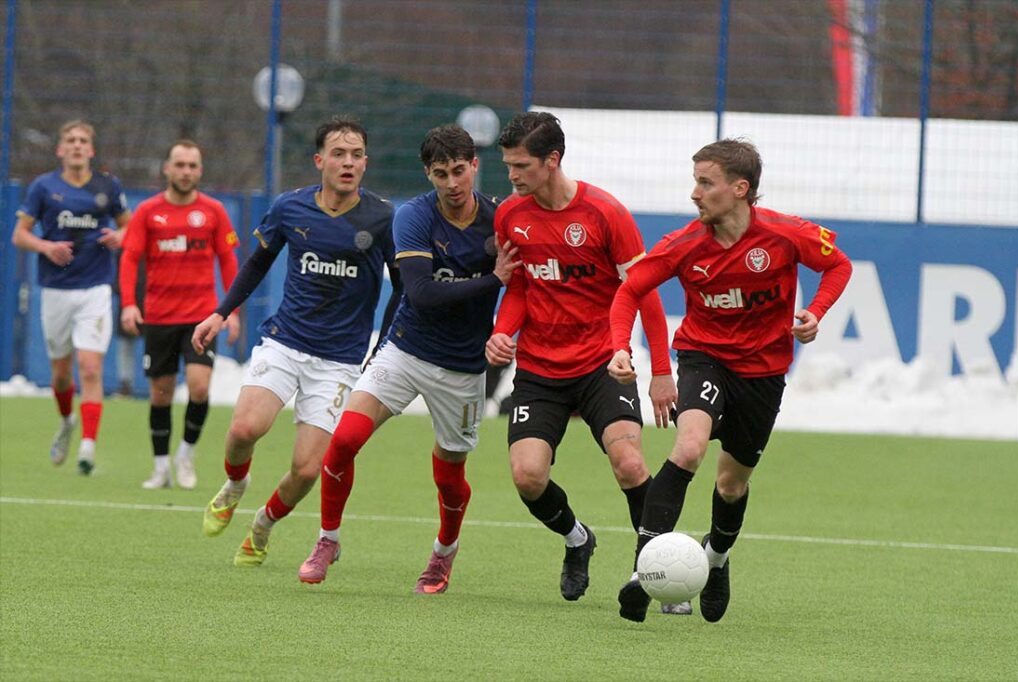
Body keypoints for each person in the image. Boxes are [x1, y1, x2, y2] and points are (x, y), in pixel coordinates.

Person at [609, 138, 853, 623]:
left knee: (731, 484)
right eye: (695, 182)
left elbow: (838, 265)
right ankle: (644, 569)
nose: (695, 194)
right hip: (704, 358)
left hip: (764, 373)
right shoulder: (683, 244)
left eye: (705, 183)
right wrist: (620, 346)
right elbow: (630, 289)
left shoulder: (785, 234)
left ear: (740, 189)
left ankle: (716, 559)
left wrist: (815, 313)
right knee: (690, 447)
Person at [297, 124, 520, 591]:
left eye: (460, 171)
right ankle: (327, 538)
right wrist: (493, 280)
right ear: (429, 174)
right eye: (441, 174)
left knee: (450, 473)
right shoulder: (413, 216)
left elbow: (523, 284)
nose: (452, 184)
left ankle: (443, 553)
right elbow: (418, 293)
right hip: (405, 349)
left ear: (475, 166)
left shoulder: (499, 219)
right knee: (342, 442)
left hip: (462, 368)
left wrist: (504, 327)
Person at [484, 111, 677, 603]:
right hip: (539, 370)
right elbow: (521, 288)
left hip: (601, 365)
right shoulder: (511, 214)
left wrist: (660, 371)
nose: (511, 175)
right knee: (528, 477)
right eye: (508, 165)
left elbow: (646, 295)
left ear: (552, 161)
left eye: (521, 165)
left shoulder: (604, 213)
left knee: (630, 464)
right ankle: (577, 538)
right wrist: (503, 332)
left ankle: (657, 571)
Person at [191, 116, 401, 567]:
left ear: (365, 162)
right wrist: (220, 311)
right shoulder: (290, 207)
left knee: (307, 469)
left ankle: (262, 525)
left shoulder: (384, 217)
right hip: (285, 342)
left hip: (340, 361)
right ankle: (235, 485)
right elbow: (256, 264)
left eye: (356, 155)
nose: (348, 163)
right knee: (245, 429)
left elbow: (402, 287)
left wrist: (382, 344)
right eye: (339, 154)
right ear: (319, 160)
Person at [119, 140, 241, 490]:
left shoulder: (214, 211)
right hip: (158, 317)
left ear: (199, 171)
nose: (186, 171)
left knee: (199, 388)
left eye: (192, 165)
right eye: (180, 164)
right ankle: (160, 467)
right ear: (167, 169)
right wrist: (130, 303)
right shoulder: (147, 212)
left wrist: (229, 310)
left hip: (201, 317)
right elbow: (129, 259)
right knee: (161, 393)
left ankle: (186, 454)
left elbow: (229, 261)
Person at [12, 120, 131, 475]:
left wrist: (119, 237)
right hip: (55, 291)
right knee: (61, 376)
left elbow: (130, 225)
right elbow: (20, 235)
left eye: (83, 141)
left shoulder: (107, 186)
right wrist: (45, 246)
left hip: (94, 289)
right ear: (60, 149)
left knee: (90, 368)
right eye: (71, 141)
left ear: (91, 150)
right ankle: (66, 422)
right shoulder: (43, 187)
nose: (77, 146)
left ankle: (88, 447)